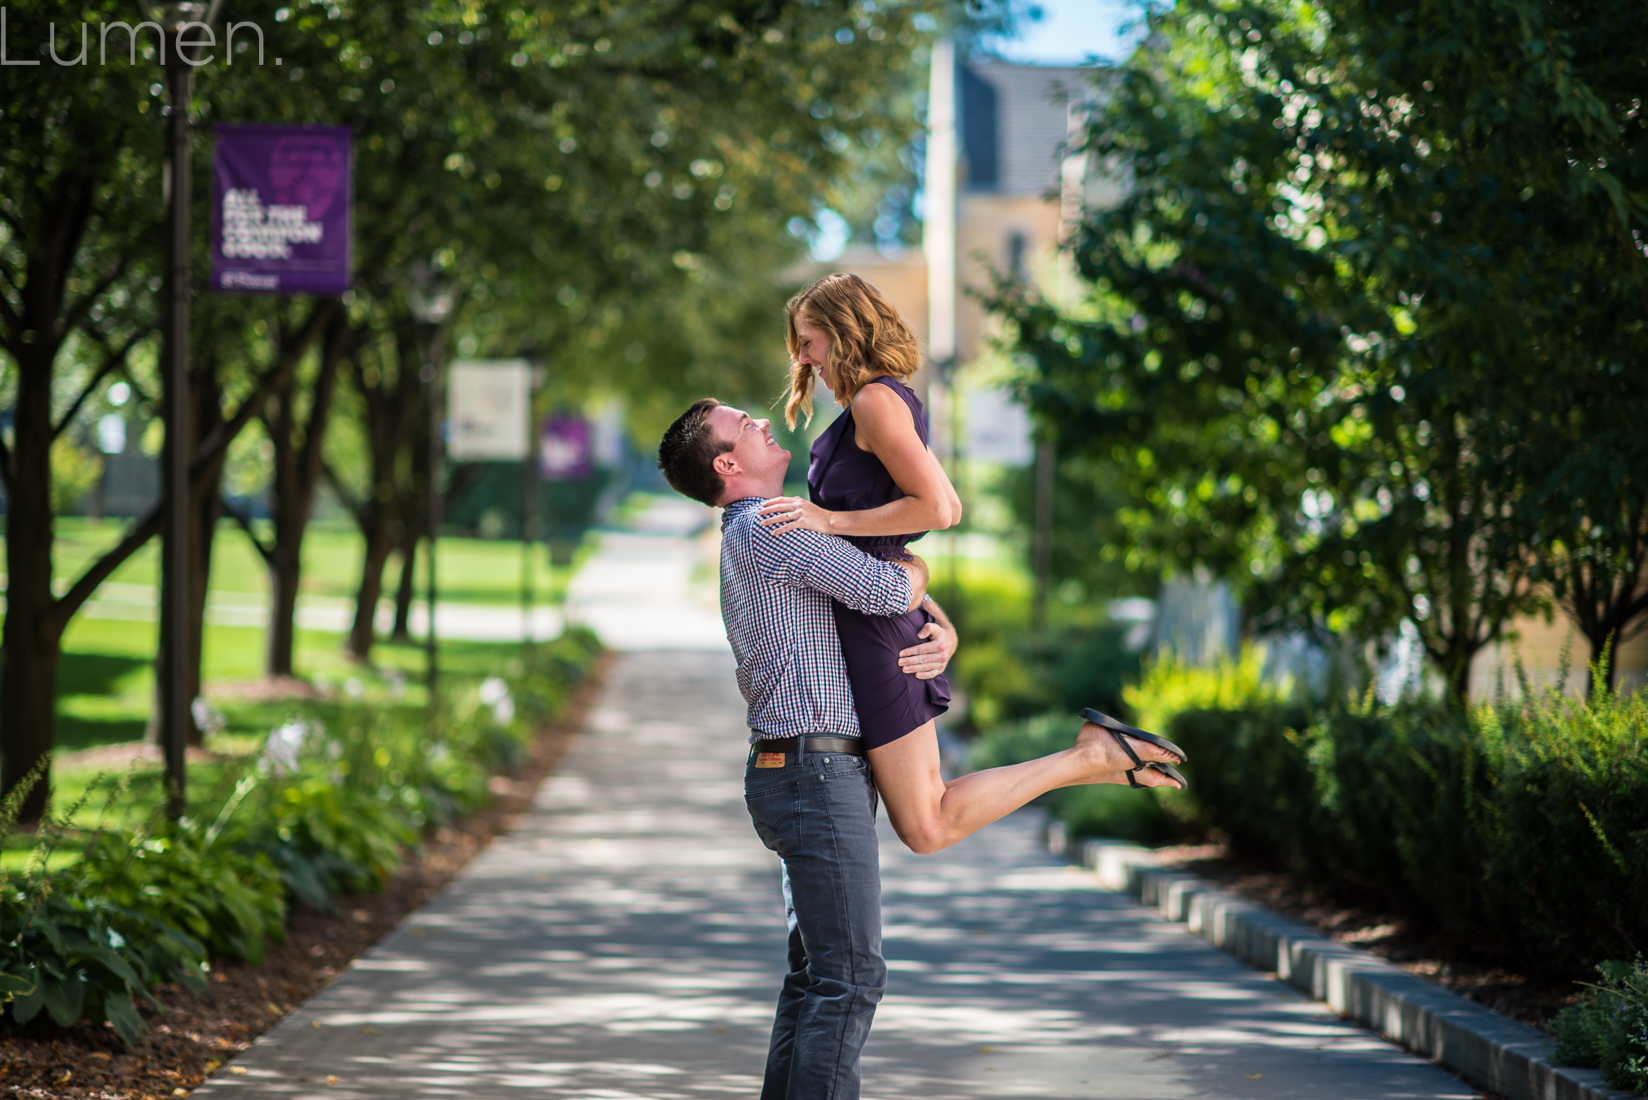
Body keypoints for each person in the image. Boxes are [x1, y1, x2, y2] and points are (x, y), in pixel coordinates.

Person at [656, 397, 1186, 1100]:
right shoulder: (770, 526)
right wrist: (922, 577)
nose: (760, 420)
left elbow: (872, 603)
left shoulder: (753, 532)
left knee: (819, 979)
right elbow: (880, 588)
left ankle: (1091, 756)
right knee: (848, 981)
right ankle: (1091, 756)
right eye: (741, 425)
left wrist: (932, 623)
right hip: (815, 774)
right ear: (727, 465)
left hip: (799, 771)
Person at [758, 272, 1185, 856]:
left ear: (843, 330)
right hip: (874, 616)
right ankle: (1096, 759)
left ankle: (1090, 754)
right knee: (924, 819)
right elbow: (890, 546)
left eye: (809, 342)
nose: (804, 360)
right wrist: (930, 602)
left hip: (881, 636)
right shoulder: (876, 402)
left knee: (926, 825)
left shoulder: (875, 400)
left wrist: (827, 520)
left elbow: (941, 506)